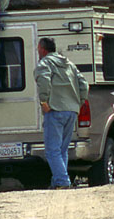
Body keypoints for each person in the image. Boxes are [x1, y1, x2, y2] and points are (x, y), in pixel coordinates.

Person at [34, 37, 89, 189]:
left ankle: (63, 182)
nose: (38, 51)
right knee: (62, 150)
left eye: (38, 49)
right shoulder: (69, 63)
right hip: (71, 111)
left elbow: (44, 80)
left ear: (43, 49)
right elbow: (84, 84)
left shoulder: (45, 63)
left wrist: (44, 101)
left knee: (52, 150)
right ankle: (57, 181)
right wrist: (79, 101)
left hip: (55, 110)